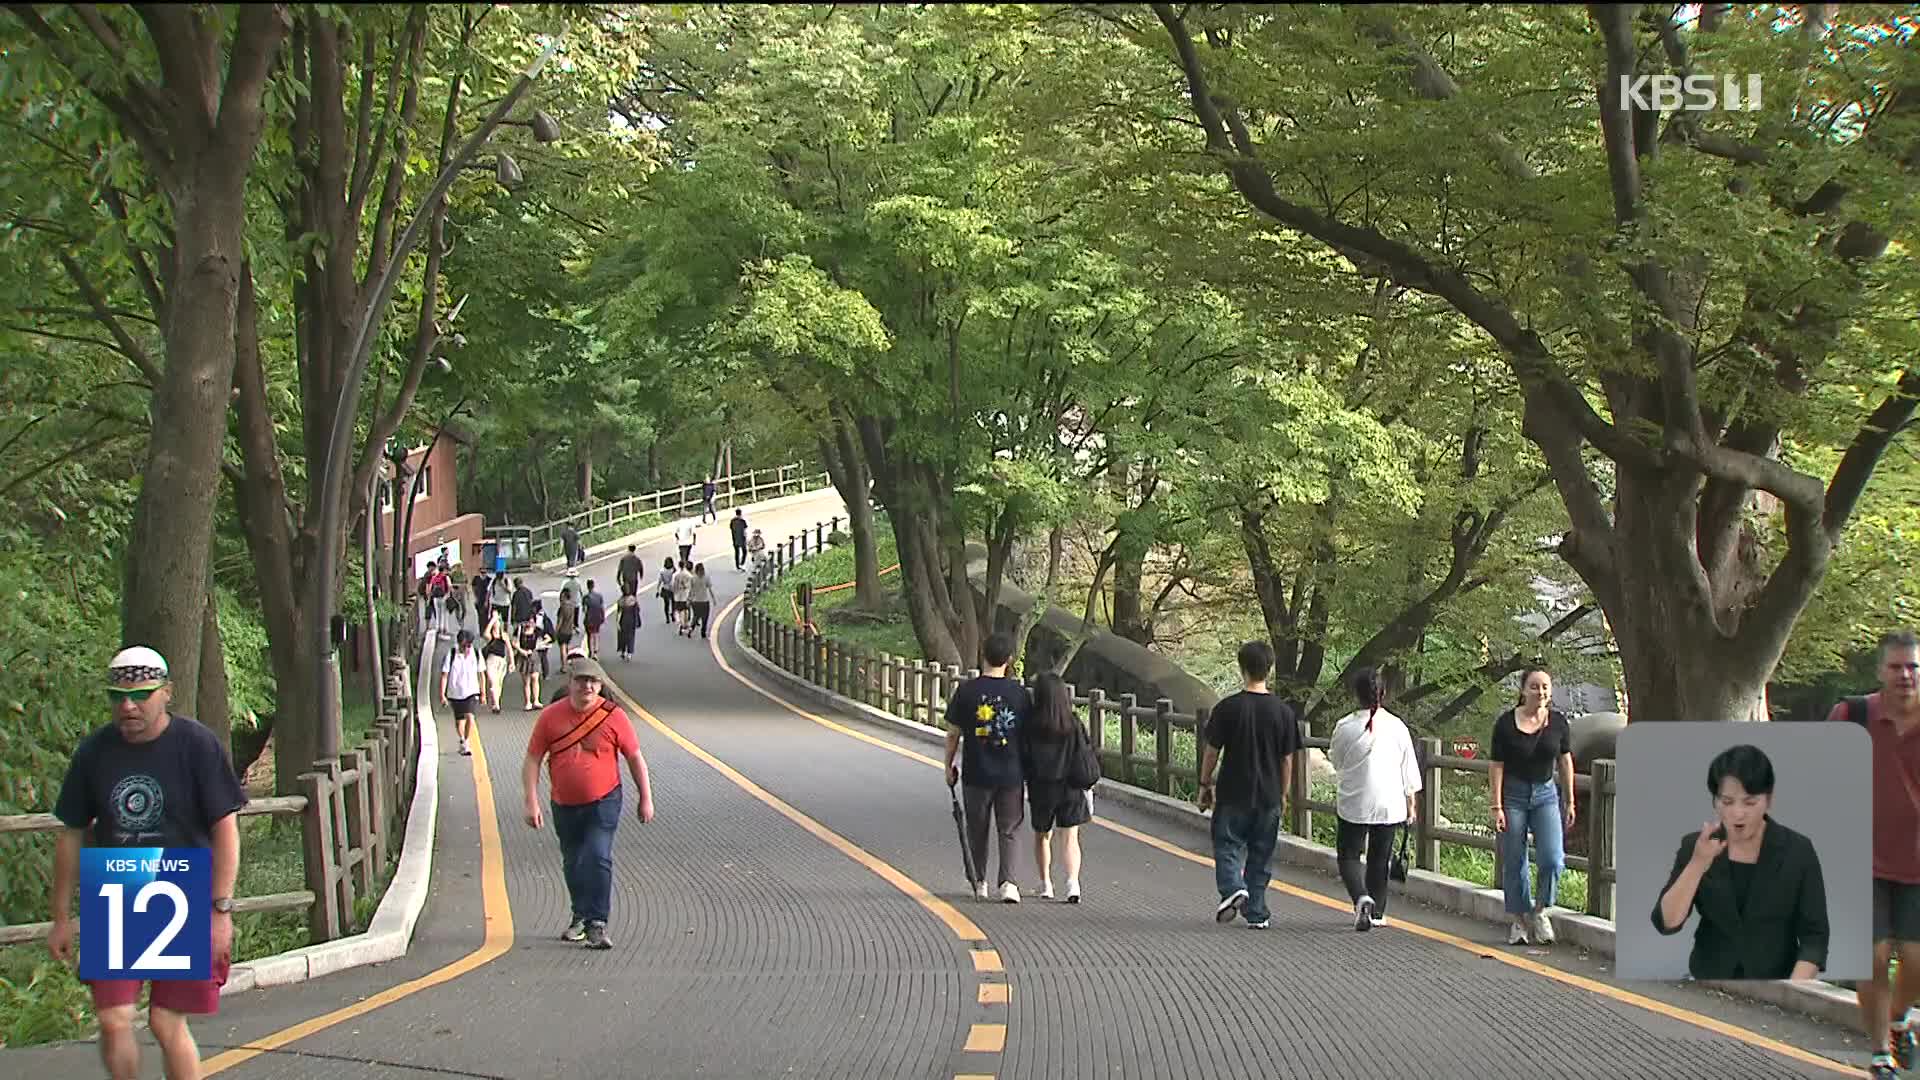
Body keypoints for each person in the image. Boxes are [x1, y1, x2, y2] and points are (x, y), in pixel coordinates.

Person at [49, 647, 247, 1080]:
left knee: (166, 1021)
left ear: (167, 693)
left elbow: (226, 829)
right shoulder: (94, 753)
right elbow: (71, 832)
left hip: (184, 886)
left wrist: (220, 909)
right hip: (119, 885)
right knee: (114, 1019)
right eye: (117, 697)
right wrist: (60, 916)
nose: (128, 707)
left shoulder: (197, 745)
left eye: (140, 695)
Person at [1652, 744, 1829, 981]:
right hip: (1708, 981)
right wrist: (1697, 864)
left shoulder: (1798, 851)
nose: (1738, 813)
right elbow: (1667, 923)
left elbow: (1814, 937)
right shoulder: (1697, 846)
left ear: (1768, 800)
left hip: (1777, 983)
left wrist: (1792, 993)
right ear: (1715, 801)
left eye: (1749, 802)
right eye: (1727, 802)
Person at [1831, 629, 1920, 1079]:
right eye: (1897, 667)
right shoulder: (1854, 715)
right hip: (1861, 860)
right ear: (1881, 672)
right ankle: (1881, 1051)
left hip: (1917, 863)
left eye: (1913, 667)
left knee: (1917, 961)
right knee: (1872, 954)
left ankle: (1900, 1018)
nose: (1906, 675)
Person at [522, 657, 654, 950]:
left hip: (604, 800)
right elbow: (532, 759)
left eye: (593, 682)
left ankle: (597, 921)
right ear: (570, 683)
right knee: (573, 860)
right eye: (582, 681)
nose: (588, 687)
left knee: (597, 854)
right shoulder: (550, 717)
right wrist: (531, 801)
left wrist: (645, 797)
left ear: (600, 686)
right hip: (564, 802)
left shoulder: (614, 716)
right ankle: (579, 914)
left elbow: (634, 757)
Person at [1197, 640, 1301, 929]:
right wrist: (1283, 793)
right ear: (1269, 668)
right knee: (1261, 853)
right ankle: (1256, 912)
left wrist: (1205, 783)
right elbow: (1287, 760)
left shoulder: (1227, 708)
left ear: (1242, 668)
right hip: (1268, 794)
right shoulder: (1283, 712)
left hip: (1233, 791)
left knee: (1227, 844)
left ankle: (1233, 888)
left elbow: (1211, 751)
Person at [1328, 668, 1421, 932]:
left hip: (1355, 799)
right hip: (1390, 802)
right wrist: (1411, 805)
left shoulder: (1345, 726)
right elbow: (1409, 770)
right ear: (1384, 693)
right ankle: (1378, 911)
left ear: (1355, 694)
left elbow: (1336, 761)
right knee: (1380, 857)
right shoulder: (1397, 726)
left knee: (1348, 855)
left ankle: (1361, 897)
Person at [1488, 666, 1574, 945]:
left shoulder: (1558, 722)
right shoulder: (1505, 724)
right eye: (1535, 686)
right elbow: (1496, 765)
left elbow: (1565, 761)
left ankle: (1540, 911)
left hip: (1546, 794)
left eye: (1546, 687)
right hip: (1513, 795)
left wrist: (1570, 800)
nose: (1541, 692)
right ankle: (1518, 919)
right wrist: (1496, 805)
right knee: (1514, 858)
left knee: (1552, 858)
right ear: (1523, 690)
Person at [943, 632, 1030, 903]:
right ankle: (1009, 884)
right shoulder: (1019, 694)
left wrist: (948, 764)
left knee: (977, 827)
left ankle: (979, 881)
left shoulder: (967, 691)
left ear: (983, 656)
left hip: (976, 771)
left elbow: (952, 733)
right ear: (1009, 660)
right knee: (1010, 828)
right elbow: (1029, 735)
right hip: (1011, 772)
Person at [1021, 671, 1095, 903]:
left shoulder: (1030, 723)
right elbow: (1085, 751)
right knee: (1070, 836)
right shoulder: (1072, 722)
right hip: (1071, 786)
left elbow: (1024, 756)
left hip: (1042, 787)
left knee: (1042, 836)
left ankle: (1046, 884)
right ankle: (1073, 883)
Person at [441, 629, 485, 756]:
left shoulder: (476, 653)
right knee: (459, 720)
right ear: (459, 643)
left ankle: (466, 741)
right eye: (464, 646)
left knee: (470, 717)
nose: (467, 649)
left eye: (469, 646)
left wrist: (483, 693)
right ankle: (462, 739)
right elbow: (445, 674)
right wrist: (442, 695)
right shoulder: (452, 653)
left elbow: (481, 674)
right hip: (455, 692)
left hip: (471, 691)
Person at [516, 608, 549, 710]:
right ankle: (527, 702)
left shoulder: (537, 630)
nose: (529, 624)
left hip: (534, 656)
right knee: (526, 681)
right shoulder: (519, 630)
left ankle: (536, 700)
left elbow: (548, 637)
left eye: (531, 621)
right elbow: (514, 642)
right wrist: (522, 651)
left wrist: (539, 645)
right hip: (523, 656)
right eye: (528, 621)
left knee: (535, 678)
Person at [482, 612, 511, 714]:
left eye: (498, 622)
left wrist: (512, 662)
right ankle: (496, 705)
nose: (496, 624)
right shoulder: (490, 636)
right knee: (492, 681)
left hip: (501, 661)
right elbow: (485, 634)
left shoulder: (504, 635)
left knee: (499, 683)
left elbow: (509, 649)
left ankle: (496, 702)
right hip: (491, 660)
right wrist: (493, 620)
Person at [687, 563, 715, 639]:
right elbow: (710, 589)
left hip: (695, 601)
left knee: (696, 616)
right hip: (704, 601)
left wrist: (689, 599)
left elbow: (690, 590)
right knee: (705, 618)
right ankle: (703, 632)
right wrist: (713, 599)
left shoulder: (693, 578)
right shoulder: (706, 577)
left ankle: (691, 628)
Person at [616, 584, 642, 661]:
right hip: (632, 620)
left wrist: (617, 622)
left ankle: (623, 651)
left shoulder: (620, 600)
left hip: (623, 620)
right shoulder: (633, 600)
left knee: (622, 636)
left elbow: (619, 613)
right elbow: (638, 610)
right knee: (631, 636)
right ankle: (629, 653)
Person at [671, 559, 696, 637]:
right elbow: (691, 585)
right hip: (685, 595)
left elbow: (673, 586)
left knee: (678, 610)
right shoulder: (688, 575)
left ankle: (680, 623)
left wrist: (674, 592)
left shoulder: (675, 575)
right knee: (685, 610)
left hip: (677, 595)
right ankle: (684, 623)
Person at [583, 579, 607, 660]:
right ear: (593, 586)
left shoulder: (586, 597)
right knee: (596, 634)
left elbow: (584, 610)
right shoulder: (599, 596)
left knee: (590, 635)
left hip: (589, 618)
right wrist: (603, 617)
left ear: (587, 586)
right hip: (597, 617)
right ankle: (596, 652)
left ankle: (591, 652)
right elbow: (602, 607)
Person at [554, 587, 579, 659]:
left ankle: (564, 665)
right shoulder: (572, 606)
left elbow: (560, 621)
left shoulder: (562, 607)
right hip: (569, 630)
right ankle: (567, 662)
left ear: (564, 596)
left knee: (563, 648)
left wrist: (555, 632)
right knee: (566, 646)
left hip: (563, 631)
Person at [657, 558, 678, 624]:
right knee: (673, 603)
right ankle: (673, 614)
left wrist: (657, 590)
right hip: (672, 589)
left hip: (665, 588)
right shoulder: (673, 570)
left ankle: (667, 618)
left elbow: (659, 581)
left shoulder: (662, 571)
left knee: (666, 604)